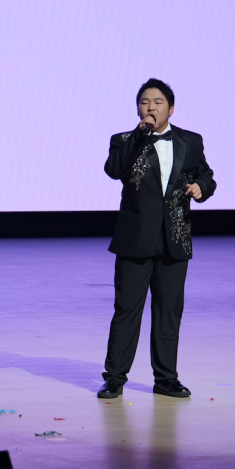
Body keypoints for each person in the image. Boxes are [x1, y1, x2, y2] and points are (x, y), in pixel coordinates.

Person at [98, 78, 215, 399]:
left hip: (174, 238)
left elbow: (205, 174)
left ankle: (166, 379)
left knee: (168, 312)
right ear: (138, 108)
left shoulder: (191, 140)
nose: (151, 107)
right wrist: (140, 135)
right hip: (135, 239)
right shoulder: (123, 140)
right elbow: (114, 169)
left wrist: (202, 188)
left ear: (171, 108)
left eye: (158, 102)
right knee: (127, 310)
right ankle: (115, 378)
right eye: (145, 102)